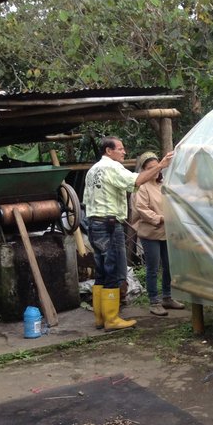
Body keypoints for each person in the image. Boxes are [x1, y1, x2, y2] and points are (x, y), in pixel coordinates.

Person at [84, 137, 174, 330]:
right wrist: (161, 165)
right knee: (113, 270)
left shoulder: (93, 170)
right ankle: (111, 319)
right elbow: (138, 180)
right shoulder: (112, 168)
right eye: (121, 149)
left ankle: (100, 318)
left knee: (101, 271)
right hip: (109, 224)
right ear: (109, 151)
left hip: (94, 223)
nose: (124, 152)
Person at [131, 151, 186, 316]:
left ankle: (167, 297)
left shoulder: (163, 185)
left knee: (169, 266)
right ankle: (154, 301)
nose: (156, 171)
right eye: (151, 168)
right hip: (150, 233)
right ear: (144, 170)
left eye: (158, 167)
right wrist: (160, 218)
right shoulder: (142, 187)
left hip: (166, 232)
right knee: (153, 268)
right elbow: (141, 209)